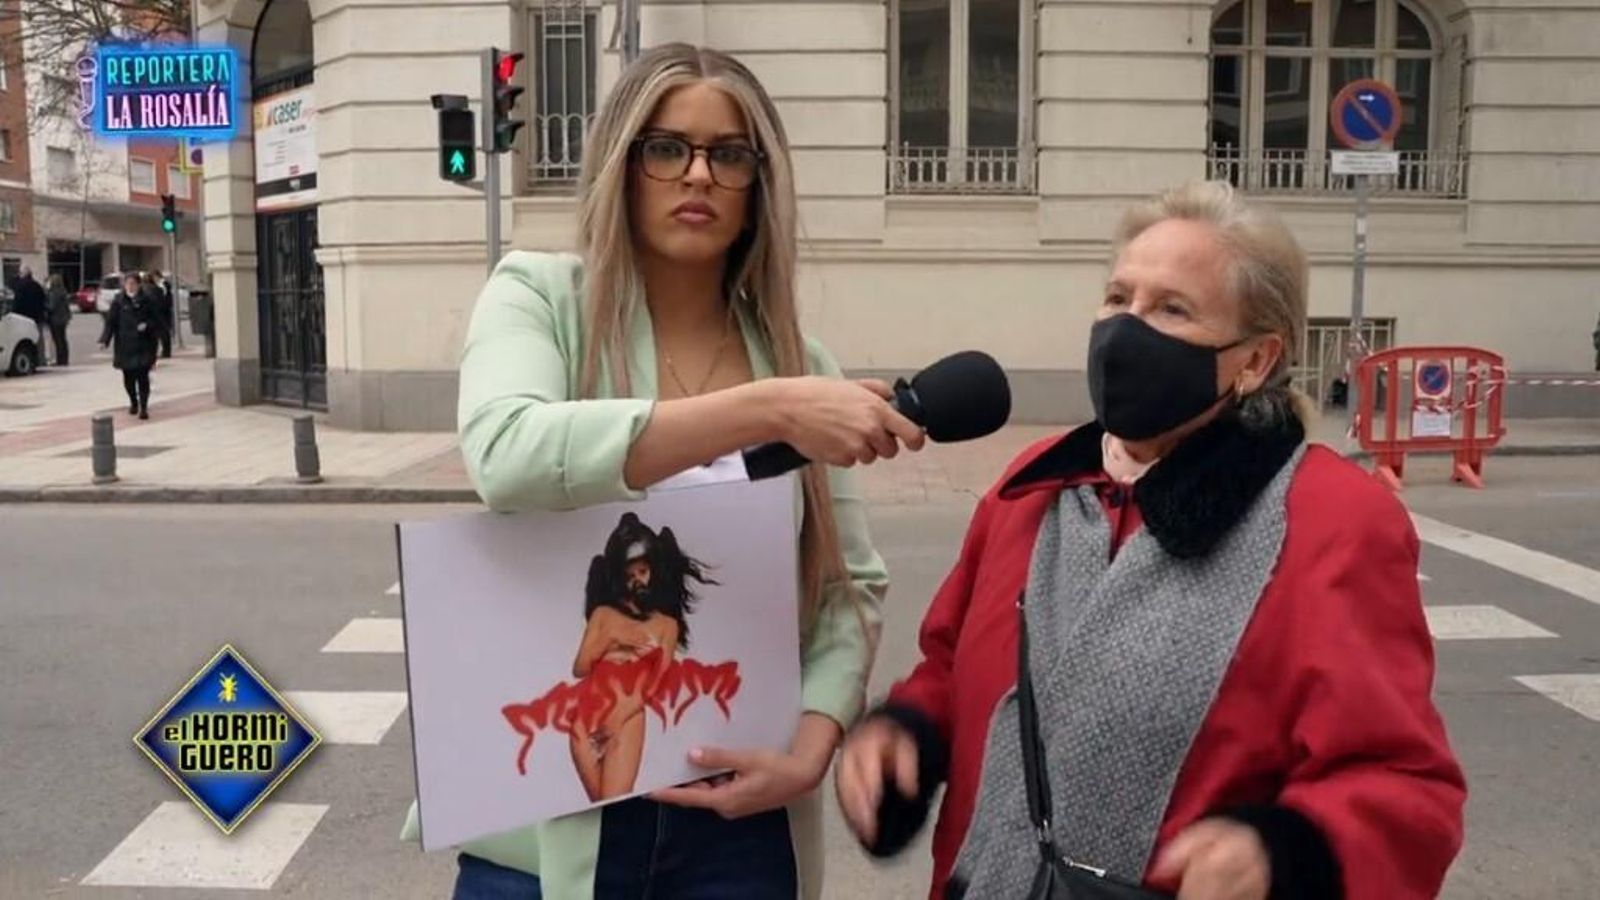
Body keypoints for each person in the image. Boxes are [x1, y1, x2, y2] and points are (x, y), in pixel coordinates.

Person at [835, 181, 1467, 900]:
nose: (1126, 330)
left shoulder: (1332, 520)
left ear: (1255, 361)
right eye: (1117, 299)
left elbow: (1401, 786)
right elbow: (952, 668)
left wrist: (1284, 856)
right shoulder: (1033, 489)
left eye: (1171, 309)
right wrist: (906, 733)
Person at [404, 43, 925, 899]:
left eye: (729, 154)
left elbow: (847, 585)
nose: (698, 175)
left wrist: (813, 744)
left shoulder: (799, 358)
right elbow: (508, 453)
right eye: (665, 147)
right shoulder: (539, 297)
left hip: (738, 827)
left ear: (758, 183)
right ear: (622, 161)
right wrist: (766, 410)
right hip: (553, 820)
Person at [570, 512, 715, 802]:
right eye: (630, 575)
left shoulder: (666, 626)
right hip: (586, 715)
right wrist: (612, 639)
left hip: (626, 717)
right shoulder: (603, 616)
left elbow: (656, 685)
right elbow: (580, 668)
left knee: (615, 806)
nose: (637, 580)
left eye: (642, 572)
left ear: (652, 571)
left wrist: (618, 719)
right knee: (597, 808)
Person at [99, 273, 159, 419]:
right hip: (125, 345)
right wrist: (105, 340)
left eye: (133, 284)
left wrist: (147, 325)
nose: (130, 287)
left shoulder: (147, 300)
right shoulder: (119, 301)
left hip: (144, 344)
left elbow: (157, 320)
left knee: (143, 377)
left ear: (139, 285)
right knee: (129, 378)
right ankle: (134, 401)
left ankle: (144, 407)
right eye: (128, 284)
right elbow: (111, 322)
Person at [144, 270, 173, 359]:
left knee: (163, 332)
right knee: (162, 332)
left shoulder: (162, 285)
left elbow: (165, 298)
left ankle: (166, 352)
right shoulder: (157, 286)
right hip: (160, 311)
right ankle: (165, 351)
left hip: (162, 312)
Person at [45, 274, 73, 366]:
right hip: (63, 319)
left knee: (57, 340)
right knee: (63, 339)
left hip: (55, 319)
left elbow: (51, 306)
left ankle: (60, 360)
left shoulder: (53, 293)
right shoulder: (63, 291)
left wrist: (44, 305)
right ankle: (65, 359)